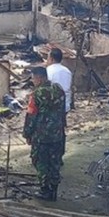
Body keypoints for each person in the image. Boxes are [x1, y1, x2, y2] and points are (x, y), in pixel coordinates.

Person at [23, 66, 66, 201]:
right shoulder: (59, 89)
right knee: (55, 162)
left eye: (33, 78)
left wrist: (27, 134)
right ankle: (54, 189)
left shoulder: (36, 94)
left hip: (41, 136)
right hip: (57, 134)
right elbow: (63, 111)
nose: (33, 81)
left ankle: (45, 190)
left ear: (39, 78)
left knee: (40, 162)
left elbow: (31, 116)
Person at [46, 48, 73, 113]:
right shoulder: (67, 71)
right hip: (66, 105)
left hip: (53, 106)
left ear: (51, 59)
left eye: (48, 57)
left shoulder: (48, 71)